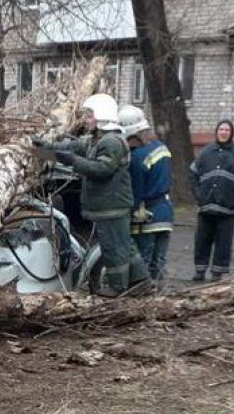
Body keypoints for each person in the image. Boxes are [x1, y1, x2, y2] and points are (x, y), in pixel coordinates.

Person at [34, 93, 152, 297]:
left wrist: (71, 160)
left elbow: (102, 169)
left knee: (113, 247)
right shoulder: (95, 140)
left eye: (90, 116)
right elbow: (71, 147)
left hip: (112, 205)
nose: (86, 120)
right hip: (107, 205)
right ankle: (141, 282)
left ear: (103, 117)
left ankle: (118, 286)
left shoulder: (112, 142)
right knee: (125, 244)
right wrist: (42, 150)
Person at [118, 105, 174, 289]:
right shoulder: (161, 147)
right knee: (159, 263)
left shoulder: (136, 157)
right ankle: (160, 298)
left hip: (146, 217)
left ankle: (143, 300)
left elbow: (135, 191)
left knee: (143, 262)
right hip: (165, 213)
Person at [189, 119, 234, 281]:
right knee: (202, 240)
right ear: (217, 132)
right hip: (206, 206)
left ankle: (217, 272)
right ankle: (200, 270)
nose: (223, 132)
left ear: (231, 133)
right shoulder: (206, 151)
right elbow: (193, 174)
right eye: (221, 129)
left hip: (227, 208)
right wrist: (199, 195)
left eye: (227, 130)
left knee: (223, 242)